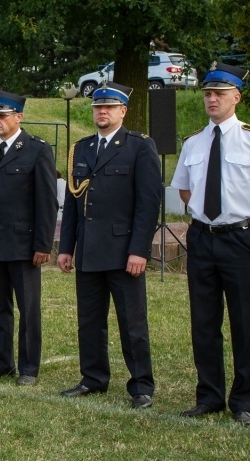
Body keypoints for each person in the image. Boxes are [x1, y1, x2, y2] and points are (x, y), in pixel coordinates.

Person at [57, 82, 162, 408]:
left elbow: (148, 203)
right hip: (88, 249)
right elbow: (74, 202)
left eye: (109, 107)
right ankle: (93, 378)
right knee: (89, 319)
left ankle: (141, 385)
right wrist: (66, 247)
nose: (102, 112)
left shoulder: (139, 147)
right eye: (97, 107)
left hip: (122, 250)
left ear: (123, 111)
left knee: (132, 322)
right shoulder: (82, 148)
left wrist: (139, 249)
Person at [171, 63, 250, 426]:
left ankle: (244, 400)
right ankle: (209, 396)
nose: (211, 99)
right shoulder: (193, 142)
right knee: (204, 321)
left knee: (244, 321)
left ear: (237, 97)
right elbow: (186, 190)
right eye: (207, 93)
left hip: (241, 238)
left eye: (219, 93)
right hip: (203, 236)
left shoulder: (248, 139)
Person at [0, 90, 58, 385]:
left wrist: (43, 244)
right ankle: (2, 361)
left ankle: (29, 367)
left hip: (23, 243)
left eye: (2, 115)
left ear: (18, 117)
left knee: (28, 308)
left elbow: (47, 201)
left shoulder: (36, 149)